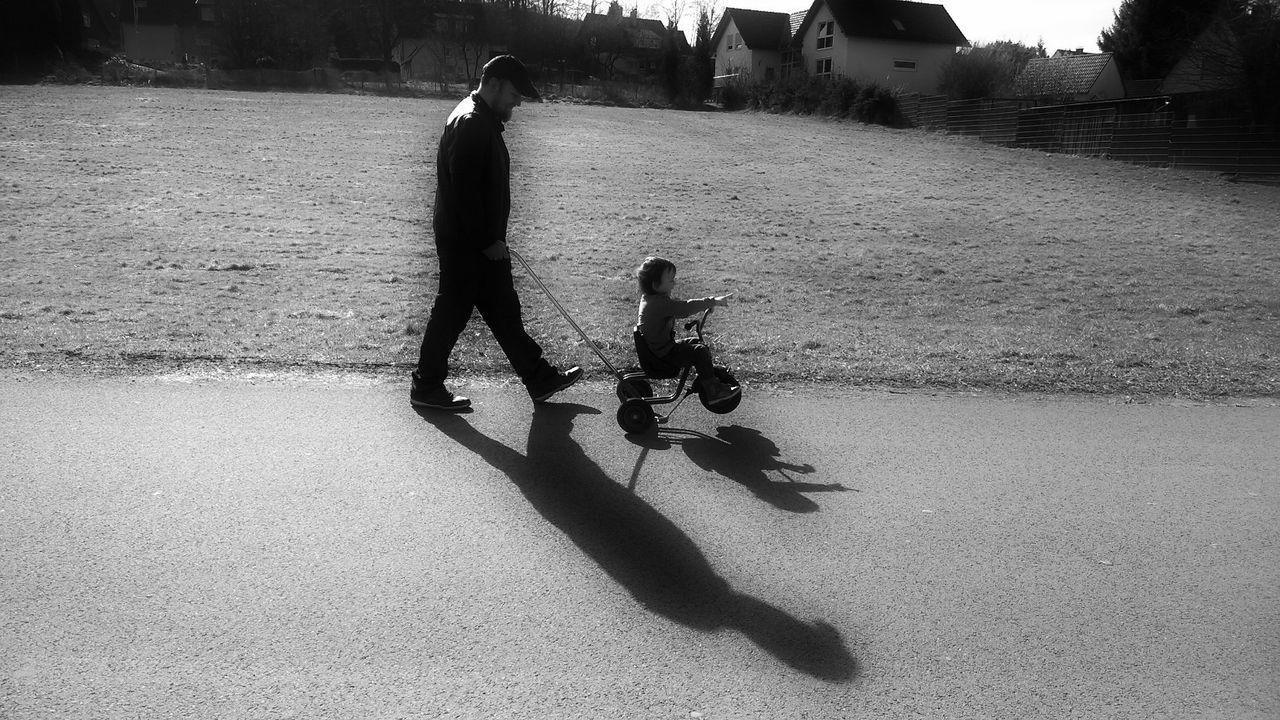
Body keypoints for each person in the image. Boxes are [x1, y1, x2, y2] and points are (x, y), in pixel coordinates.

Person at [411, 55, 582, 411]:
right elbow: (464, 192)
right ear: (495, 83)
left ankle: (539, 378)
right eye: (516, 92)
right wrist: (487, 240)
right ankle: (426, 387)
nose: (519, 101)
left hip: (477, 242)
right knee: (451, 314)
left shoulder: (480, 118)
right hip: (468, 245)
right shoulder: (472, 122)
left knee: (504, 310)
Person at [635, 256, 740, 405]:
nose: (674, 283)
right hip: (662, 357)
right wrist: (712, 301)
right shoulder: (658, 303)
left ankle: (708, 377)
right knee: (698, 351)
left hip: (661, 349)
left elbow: (679, 308)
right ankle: (713, 391)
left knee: (695, 342)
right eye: (670, 280)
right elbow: (683, 308)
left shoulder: (651, 298)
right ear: (655, 284)